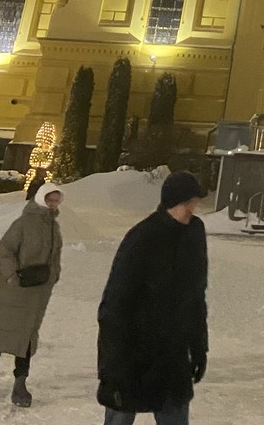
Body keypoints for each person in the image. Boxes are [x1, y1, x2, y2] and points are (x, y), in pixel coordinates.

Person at [97, 170, 208, 425]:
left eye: (194, 202)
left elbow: (195, 296)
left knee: (175, 414)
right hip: (133, 352)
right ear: (171, 202)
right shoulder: (142, 237)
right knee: (120, 414)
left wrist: (199, 346)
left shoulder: (194, 233)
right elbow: (114, 305)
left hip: (173, 354)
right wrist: (113, 364)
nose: (192, 209)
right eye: (187, 203)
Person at [0, 180, 64, 406]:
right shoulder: (23, 223)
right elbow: (3, 250)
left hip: (37, 293)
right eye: (49, 199)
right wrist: (12, 276)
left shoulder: (54, 227)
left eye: (56, 200)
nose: (53, 204)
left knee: (26, 338)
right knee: (0, 334)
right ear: (40, 199)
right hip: (13, 291)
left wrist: (53, 276)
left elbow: (55, 257)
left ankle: (20, 383)